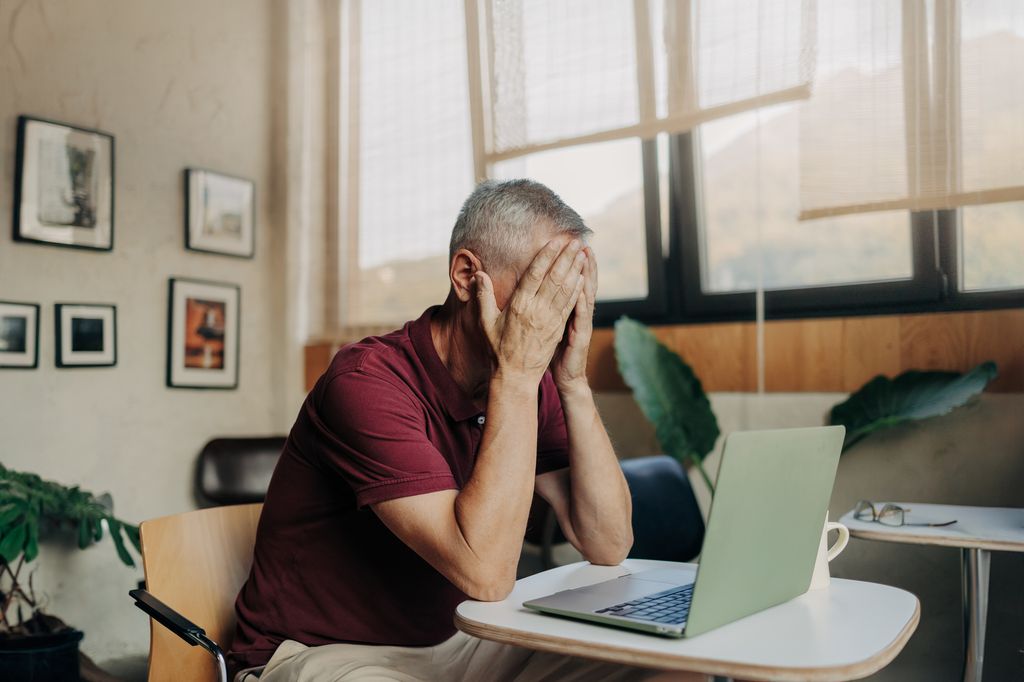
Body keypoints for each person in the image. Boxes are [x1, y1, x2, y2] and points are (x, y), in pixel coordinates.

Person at [230, 180, 699, 681]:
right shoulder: (366, 382)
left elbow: (608, 543)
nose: (556, 315)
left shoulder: (534, 380)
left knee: (668, 670)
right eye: (544, 288)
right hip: (324, 653)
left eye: (569, 293)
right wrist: (517, 377)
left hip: (465, 638)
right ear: (465, 276)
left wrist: (572, 381)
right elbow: (487, 574)